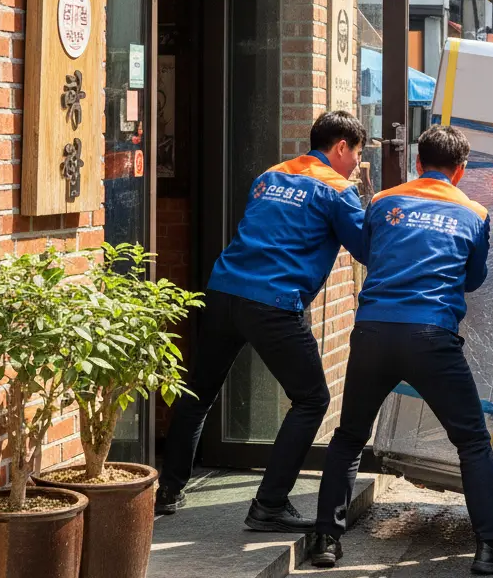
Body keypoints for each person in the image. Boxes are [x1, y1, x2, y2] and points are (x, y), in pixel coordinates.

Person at [313, 125, 493, 575]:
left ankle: (326, 540)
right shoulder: (471, 212)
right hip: (431, 338)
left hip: (373, 332)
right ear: (462, 170)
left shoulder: (384, 201)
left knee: (350, 436)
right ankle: (491, 547)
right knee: (471, 441)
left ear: (418, 162)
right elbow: (473, 280)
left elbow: (368, 253)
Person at [156, 111, 369, 531]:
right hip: (273, 302)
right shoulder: (339, 190)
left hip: (223, 290)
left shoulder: (270, 176)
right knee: (312, 400)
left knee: (198, 391)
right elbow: (365, 249)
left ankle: (168, 491)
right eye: (358, 155)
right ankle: (270, 504)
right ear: (341, 147)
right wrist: (368, 205)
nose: (358, 165)